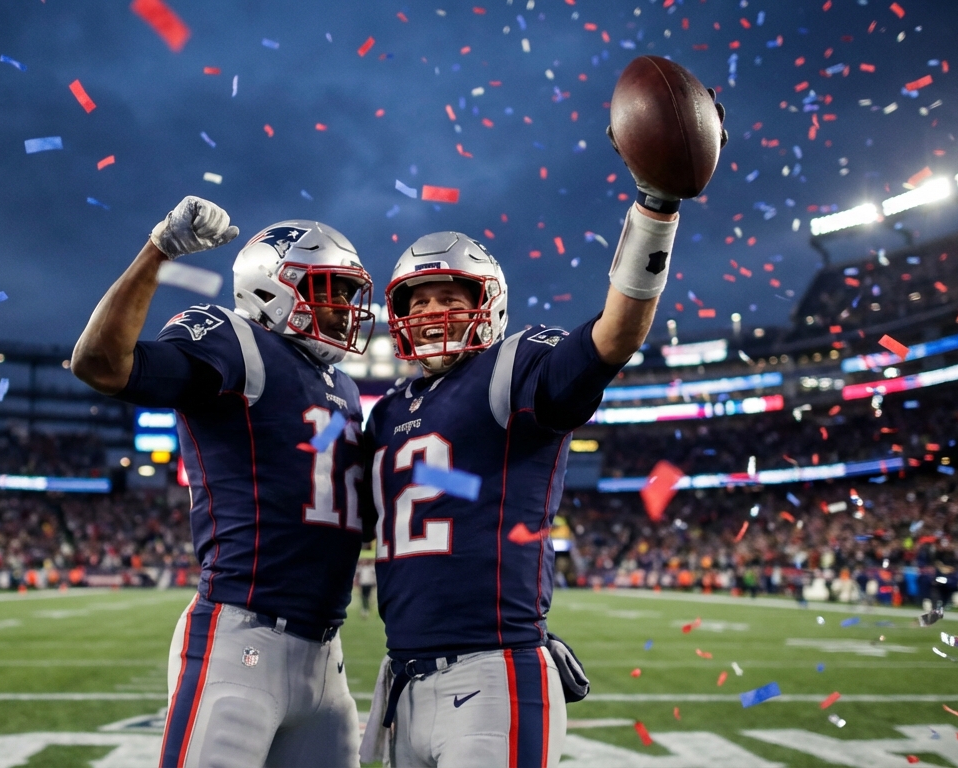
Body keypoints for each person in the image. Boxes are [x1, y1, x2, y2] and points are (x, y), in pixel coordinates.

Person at [360, 91, 726, 767]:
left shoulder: (512, 368)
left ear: (488, 305)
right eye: (420, 301)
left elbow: (613, 337)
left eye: (451, 297)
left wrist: (655, 210)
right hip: (404, 677)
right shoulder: (385, 413)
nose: (435, 311)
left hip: (491, 669)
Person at [72, 196, 374, 767]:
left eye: (348, 293)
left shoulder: (344, 388)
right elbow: (102, 365)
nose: (343, 308)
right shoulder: (235, 341)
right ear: (271, 288)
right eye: (328, 289)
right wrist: (157, 251)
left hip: (326, 657)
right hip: (242, 636)